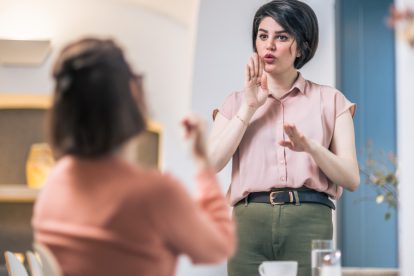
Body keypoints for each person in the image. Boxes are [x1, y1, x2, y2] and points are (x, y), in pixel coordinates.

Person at [32, 38, 235, 276]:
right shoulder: (155, 193)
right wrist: (203, 164)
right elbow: (219, 247)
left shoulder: (52, 186)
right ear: (131, 95)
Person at [208, 1, 360, 275]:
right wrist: (249, 107)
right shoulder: (234, 102)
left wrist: (311, 148)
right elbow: (211, 164)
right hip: (248, 221)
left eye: (282, 37)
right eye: (263, 35)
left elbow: (351, 179)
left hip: (313, 220)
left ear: (301, 45)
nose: (269, 45)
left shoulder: (332, 100)